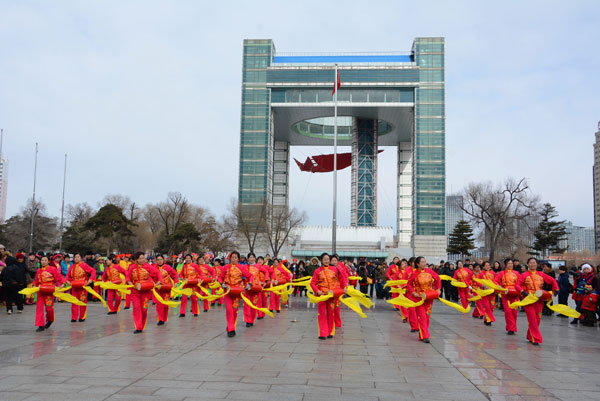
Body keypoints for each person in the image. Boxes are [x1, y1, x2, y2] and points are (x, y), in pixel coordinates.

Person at [516, 257, 558, 345]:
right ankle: (536, 339)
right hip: (528, 299)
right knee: (532, 319)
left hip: (539, 299)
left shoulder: (541, 274)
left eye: (534, 263)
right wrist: (522, 291)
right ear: (528, 264)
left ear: (537, 264)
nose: (532, 264)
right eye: (530, 263)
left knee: (537, 319)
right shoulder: (524, 275)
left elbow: (553, 280)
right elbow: (517, 285)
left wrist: (556, 289)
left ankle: (530, 335)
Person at [310, 253, 348, 340]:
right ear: (321, 260)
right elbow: (312, 283)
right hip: (322, 295)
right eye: (325, 259)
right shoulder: (317, 271)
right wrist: (317, 291)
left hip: (332, 295)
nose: (326, 261)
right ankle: (323, 333)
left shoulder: (335, 269)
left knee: (331, 314)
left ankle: (330, 332)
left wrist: (344, 287)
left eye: (328, 259)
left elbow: (341, 279)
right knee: (322, 314)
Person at [407, 256, 441, 343]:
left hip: (429, 297)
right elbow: (409, 285)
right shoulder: (414, 274)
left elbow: (437, 279)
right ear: (417, 264)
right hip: (419, 298)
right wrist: (413, 292)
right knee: (422, 316)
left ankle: (422, 335)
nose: (425, 263)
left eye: (425, 261)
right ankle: (425, 336)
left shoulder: (430, 271)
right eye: (422, 262)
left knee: (427, 317)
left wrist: (438, 289)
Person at [219, 251, 253, 337]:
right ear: (230, 258)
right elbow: (220, 277)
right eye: (232, 257)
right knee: (229, 310)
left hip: (237, 291)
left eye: (235, 257)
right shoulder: (226, 267)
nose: (233, 259)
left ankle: (231, 327)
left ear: (238, 259)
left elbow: (250, 276)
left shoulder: (241, 267)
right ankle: (231, 329)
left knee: (234, 311)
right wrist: (221, 283)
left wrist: (249, 284)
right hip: (227, 290)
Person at [126, 252, 160, 333]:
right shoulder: (132, 267)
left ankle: (142, 324)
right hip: (135, 291)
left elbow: (157, 273)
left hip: (146, 291)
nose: (142, 260)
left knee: (144, 309)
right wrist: (129, 282)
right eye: (140, 258)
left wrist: (158, 281)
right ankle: (138, 327)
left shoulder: (148, 266)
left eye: (143, 258)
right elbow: (128, 277)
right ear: (136, 259)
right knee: (136, 308)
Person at [33, 255, 65, 331]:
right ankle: (40, 325)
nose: (43, 262)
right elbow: (36, 281)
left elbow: (59, 277)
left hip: (49, 291)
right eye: (42, 260)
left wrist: (63, 283)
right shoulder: (39, 270)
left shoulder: (52, 269)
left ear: (48, 261)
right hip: (41, 291)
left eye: (45, 260)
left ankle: (50, 320)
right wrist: (34, 285)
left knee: (49, 309)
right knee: (39, 309)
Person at [66, 253, 97, 322]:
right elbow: (68, 276)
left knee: (82, 301)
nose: (76, 258)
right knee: (74, 302)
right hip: (74, 286)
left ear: (81, 258)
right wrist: (68, 281)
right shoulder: (72, 266)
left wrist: (90, 280)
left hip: (82, 286)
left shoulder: (84, 265)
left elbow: (93, 271)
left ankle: (82, 316)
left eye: (78, 257)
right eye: (75, 257)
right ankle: (74, 317)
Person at [495, 258, 521, 335]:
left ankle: (511, 326)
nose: (510, 265)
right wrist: (499, 287)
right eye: (509, 263)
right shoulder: (501, 273)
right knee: (508, 311)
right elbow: (495, 281)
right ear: (505, 265)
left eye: (511, 263)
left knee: (514, 312)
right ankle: (511, 328)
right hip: (505, 294)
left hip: (515, 294)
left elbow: (521, 282)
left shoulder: (516, 273)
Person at [243, 252, 269, 327]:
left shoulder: (258, 266)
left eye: (253, 257)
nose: (251, 259)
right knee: (247, 304)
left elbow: (266, 272)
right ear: (248, 259)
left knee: (254, 304)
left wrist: (265, 280)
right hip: (247, 287)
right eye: (250, 257)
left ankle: (252, 320)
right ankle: (247, 320)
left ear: (255, 258)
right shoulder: (245, 267)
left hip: (256, 288)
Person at [154, 254, 178, 325]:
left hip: (167, 288)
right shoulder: (154, 268)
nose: (159, 261)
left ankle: (164, 318)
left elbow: (175, 274)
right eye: (158, 260)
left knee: (166, 304)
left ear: (163, 260)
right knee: (159, 304)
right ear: (156, 260)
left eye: (160, 259)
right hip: (158, 289)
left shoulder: (168, 267)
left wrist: (176, 282)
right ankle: (160, 319)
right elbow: (151, 276)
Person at [477, 261, 496, 326]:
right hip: (484, 292)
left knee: (492, 307)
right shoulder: (481, 274)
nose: (488, 266)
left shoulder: (493, 273)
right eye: (486, 265)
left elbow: (496, 281)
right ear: (483, 267)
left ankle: (486, 318)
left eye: (489, 265)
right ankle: (489, 320)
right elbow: (478, 282)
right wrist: (483, 286)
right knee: (487, 306)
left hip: (492, 293)